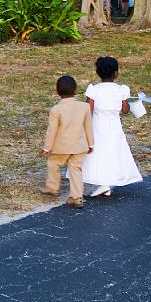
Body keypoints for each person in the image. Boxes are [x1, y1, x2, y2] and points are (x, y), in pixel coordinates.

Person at [80, 57, 143, 197]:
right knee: (113, 152)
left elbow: (88, 109)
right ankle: (106, 184)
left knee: (98, 153)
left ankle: (103, 184)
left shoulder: (93, 89)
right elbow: (125, 110)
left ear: (97, 72)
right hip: (114, 126)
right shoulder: (122, 90)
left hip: (97, 125)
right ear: (116, 73)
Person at [39, 75, 94, 209]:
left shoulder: (56, 110)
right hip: (79, 146)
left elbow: (51, 131)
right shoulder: (84, 107)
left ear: (57, 92)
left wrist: (47, 148)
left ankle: (52, 187)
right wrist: (91, 144)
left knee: (53, 164)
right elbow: (88, 126)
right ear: (75, 91)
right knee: (76, 169)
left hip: (60, 147)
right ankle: (76, 197)